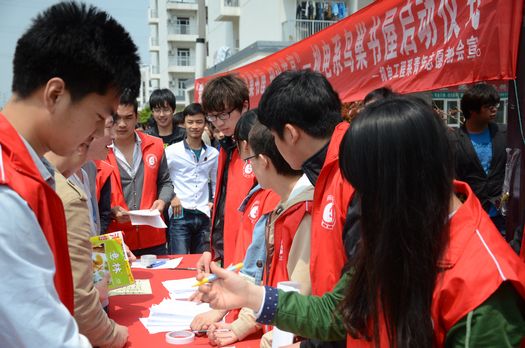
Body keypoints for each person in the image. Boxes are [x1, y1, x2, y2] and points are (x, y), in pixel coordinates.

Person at [197, 96, 525, 347]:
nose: (359, 203)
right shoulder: (395, 227)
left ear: (401, 179)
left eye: (365, 188)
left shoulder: (486, 291)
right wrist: (251, 296)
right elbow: (338, 313)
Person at [0, 2, 140, 346]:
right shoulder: (9, 191)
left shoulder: (31, 173)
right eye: (99, 117)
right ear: (56, 94)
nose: (96, 133)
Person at [207, 122, 314, 348]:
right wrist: (242, 325)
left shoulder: (304, 210)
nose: (250, 168)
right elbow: (267, 277)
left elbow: (300, 297)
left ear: (263, 161)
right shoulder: (286, 205)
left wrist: (269, 341)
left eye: (249, 160)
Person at [191, 110, 279, 331]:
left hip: (262, 315)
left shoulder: (274, 196)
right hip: (251, 307)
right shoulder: (260, 192)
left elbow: (261, 269)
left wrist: (238, 324)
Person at [46, 146, 129, 348]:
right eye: (104, 122)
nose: (110, 136)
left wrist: (108, 248)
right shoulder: (62, 191)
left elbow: (92, 228)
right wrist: (110, 334)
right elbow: (78, 296)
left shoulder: (86, 171)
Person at [198, 74, 257, 268]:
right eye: (213, 116)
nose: (219, 122)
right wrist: (210, 249)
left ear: (245, 106)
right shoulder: (227, 147)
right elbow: (221, 203)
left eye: (224, 114)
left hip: (252, 256)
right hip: (231, 253)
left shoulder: (260, 147)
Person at [105, 91, 174, 256]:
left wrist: (162, 200)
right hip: (116, 238)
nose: (122, 124)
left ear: (137, 117)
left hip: (153, 235)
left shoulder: (155, 145)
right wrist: (109, 210)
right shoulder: (99, 150)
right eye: (116, 118)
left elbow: (166, 182)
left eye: (128, 118)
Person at [449, 83, 507, 234]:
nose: (494, 109)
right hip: (470, 213)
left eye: (495, 105)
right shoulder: (453, 140)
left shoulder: (505, 133)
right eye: (488, 106)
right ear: (472, 110)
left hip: (501, 212)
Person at [165, 103, 219, 254]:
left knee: (201, 262)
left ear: (205, 124)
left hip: (203, 214)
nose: (194, 126)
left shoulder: (213, 153)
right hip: (180, 213)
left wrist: (213, 202)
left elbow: (215, 181)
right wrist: (172, 197)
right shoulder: (172, 151)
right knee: (179, 261)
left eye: (199, 122)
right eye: (190, 122)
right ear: (184, 124)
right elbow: (162, 179)